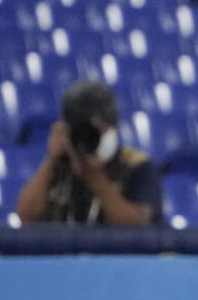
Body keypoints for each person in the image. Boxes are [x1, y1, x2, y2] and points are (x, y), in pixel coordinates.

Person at [16, 79, 163, 226]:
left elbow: (136, 226)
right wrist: (50, 160)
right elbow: (26, 217)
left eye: (94, 131)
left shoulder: (137, 166)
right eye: (80, 130)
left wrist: (95, 179)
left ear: (114, 125)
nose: (86, 138)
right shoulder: (60, 164)